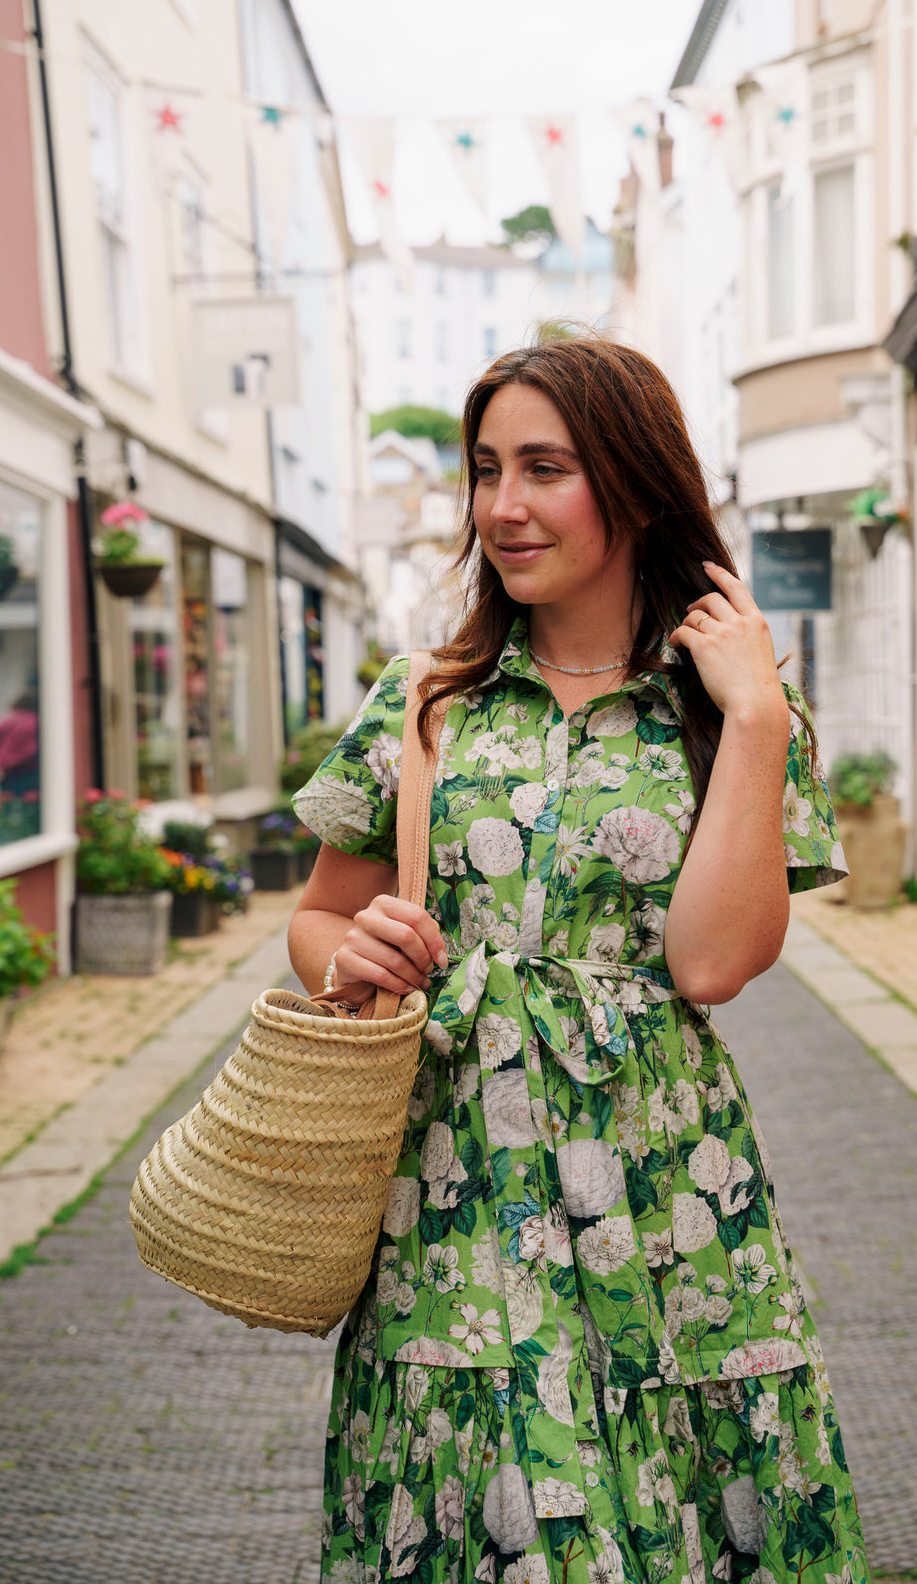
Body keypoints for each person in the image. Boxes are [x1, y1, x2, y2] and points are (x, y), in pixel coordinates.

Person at [289, 336, 866, 1584]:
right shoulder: (427, 698)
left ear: (636, 481)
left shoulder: (733, 709)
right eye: (485, 469)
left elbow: (712, 964)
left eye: (543, 468)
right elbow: (318, 919)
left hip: (666, 1198)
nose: (501, 505)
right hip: (453, 1188)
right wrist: (356, 954)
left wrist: (755, 719)